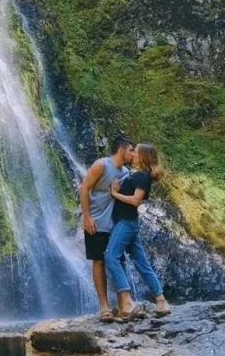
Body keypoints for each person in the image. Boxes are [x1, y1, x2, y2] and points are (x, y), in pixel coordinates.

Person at [105, 143, 171, 320]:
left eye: (136, 151)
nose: (133, 153)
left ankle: (127, 302)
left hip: (126, 223)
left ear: (143, 156)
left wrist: (114, 193)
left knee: (110, 257)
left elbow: (135, 201)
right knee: (142, 263)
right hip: (129, 222)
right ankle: (161, 302)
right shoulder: (139, 175)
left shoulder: (142, 176)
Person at [79, 137, 134, 322]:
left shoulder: (126, 172)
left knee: (118, 261)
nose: (133, 154)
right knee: (98, 261)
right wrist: (86, 216)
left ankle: (123, 306)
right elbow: (84, 187)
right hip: (96, 222)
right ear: (121, 150)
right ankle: (104, 307)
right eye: (131, 151)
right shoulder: (101, 165)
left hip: (116, 224)